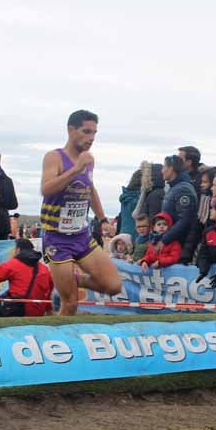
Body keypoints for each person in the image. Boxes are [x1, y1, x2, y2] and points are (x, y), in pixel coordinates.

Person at [40, 110, 122, 315]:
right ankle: (57, 343)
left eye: (94, 133)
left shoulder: (88, 160)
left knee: (113, 286)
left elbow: (90, 189)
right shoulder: (54, 157)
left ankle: (72, 278)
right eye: (86, 132)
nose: (91, 138)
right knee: (70, 304)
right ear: (71, 130)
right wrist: (76, 169)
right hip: (56, 237)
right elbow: (46, 189)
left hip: (81, 235)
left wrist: (103, 218)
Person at [160, 155, 197, 258]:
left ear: (171, 168)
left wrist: (165, 239)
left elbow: (185, 220)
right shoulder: (173, 188)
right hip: (172, 242)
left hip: (178, 244)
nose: (162, 171)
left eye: (164, 167)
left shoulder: (183, 189)